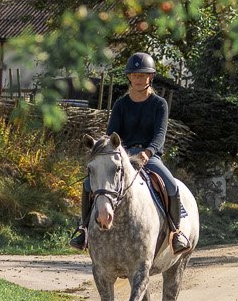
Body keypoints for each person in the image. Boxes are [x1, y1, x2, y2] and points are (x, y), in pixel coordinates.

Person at [73, 52, 190, 253]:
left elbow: (160, 134)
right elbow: (112, 136)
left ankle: (175, 231)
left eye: (142, 75)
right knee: (87, 184)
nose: (138, 79)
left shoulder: (159, 104)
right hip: (122, 157)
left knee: (171, 185)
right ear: (129, 77)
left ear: (150, 77)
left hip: (149, 157)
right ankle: (84, 230)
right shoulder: (121, 104)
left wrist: (148, 152)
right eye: (134, 75)